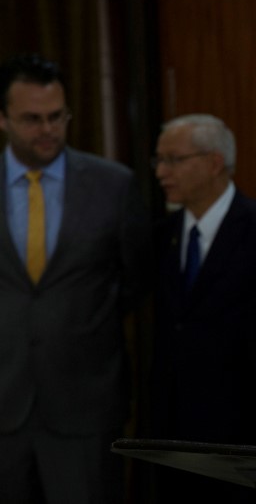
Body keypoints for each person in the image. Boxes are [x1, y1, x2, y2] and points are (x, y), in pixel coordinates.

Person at [0, 53, 151, 503]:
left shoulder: (113, 185)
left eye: (56, 116)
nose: (47, 129)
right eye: (32, 119)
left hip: (83, 408)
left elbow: (136, 282)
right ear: (3, 119)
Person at [149, 114, 256, 502]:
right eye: (158, 160)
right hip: (173, 429)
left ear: (214, 162)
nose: (162, 171)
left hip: (243, 428)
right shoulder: (161, 235)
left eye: (174, 160)